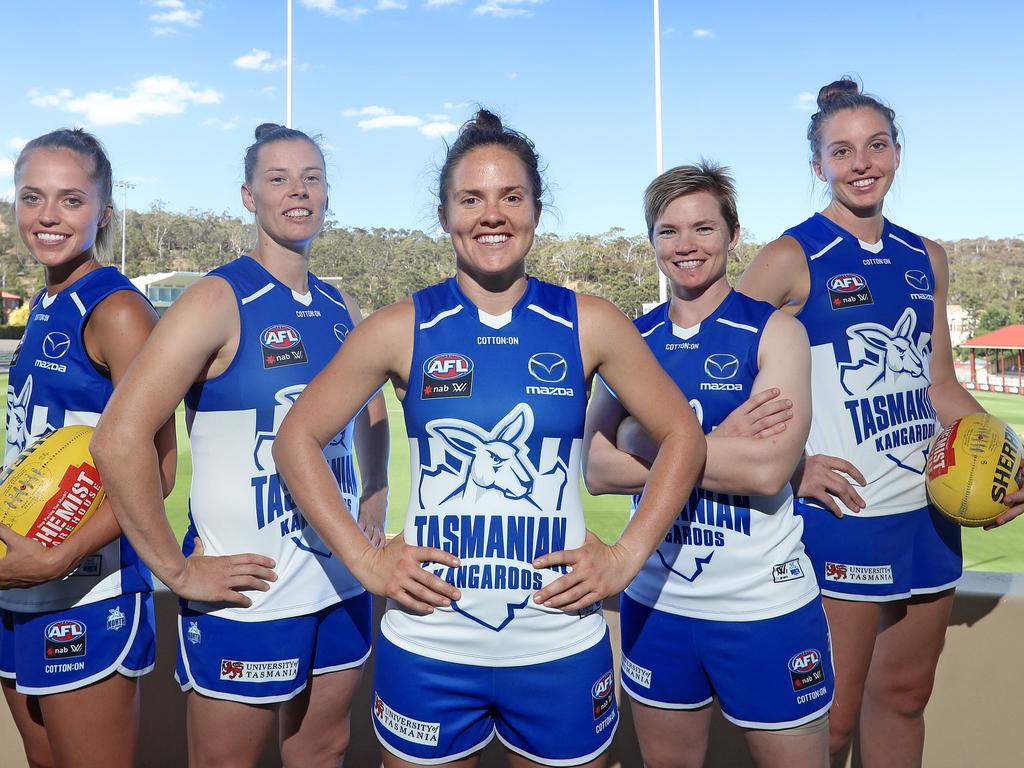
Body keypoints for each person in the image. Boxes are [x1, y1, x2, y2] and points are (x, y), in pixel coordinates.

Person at [273, 109, 707, 768]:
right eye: (470, 199)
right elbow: (296, 439)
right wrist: (366, 563)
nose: (491, 214)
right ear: (445, 214)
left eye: (511, 196)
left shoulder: (587, 321)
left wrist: (624, 558)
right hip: (430, 645)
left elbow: (682, 436)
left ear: (536, 208)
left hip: (557, 641)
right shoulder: (401, 327)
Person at [735, 78, 1024, 767]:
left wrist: (1011, 453)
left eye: (876, 145)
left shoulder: (928, 257)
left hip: (928, 513)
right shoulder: (790, 257)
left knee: (904, 696)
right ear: (819, 167)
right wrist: (793, 466)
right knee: (828, 722)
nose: (861, 163)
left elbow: (941, 386)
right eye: (842, 151)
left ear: (897, 153)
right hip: (843, 517)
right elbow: (722, 374)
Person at [91, 123, 390, 768]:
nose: (298, 192)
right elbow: (118, 437)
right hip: (248, 591)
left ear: (328, 194)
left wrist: (376, 492)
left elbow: (372, 409)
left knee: (324, 747)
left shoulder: (342, 304)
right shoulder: (216, 298)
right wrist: (174, 568)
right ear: (249, 196)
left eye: (311, 178)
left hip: (340, 577)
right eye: (278, 179)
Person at [584, 162, 830, 768]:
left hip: (763, 607)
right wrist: (716, 441)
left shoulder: (775, 332)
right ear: (653, 243)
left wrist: (645, 438)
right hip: (657, 601)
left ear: (733, 235)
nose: (686, 246)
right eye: (668, 232)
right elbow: (593, 469)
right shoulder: (631, 340)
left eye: (703, 228)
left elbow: (769, 470)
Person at [0, 128, 176, 768]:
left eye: (71, 200)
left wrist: (55, 560)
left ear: (104, 213)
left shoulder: (118, 309)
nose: (48, 216)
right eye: (32, 197)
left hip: (86, 587)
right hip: (18, 580)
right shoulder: (47, 302)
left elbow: (158, 472)